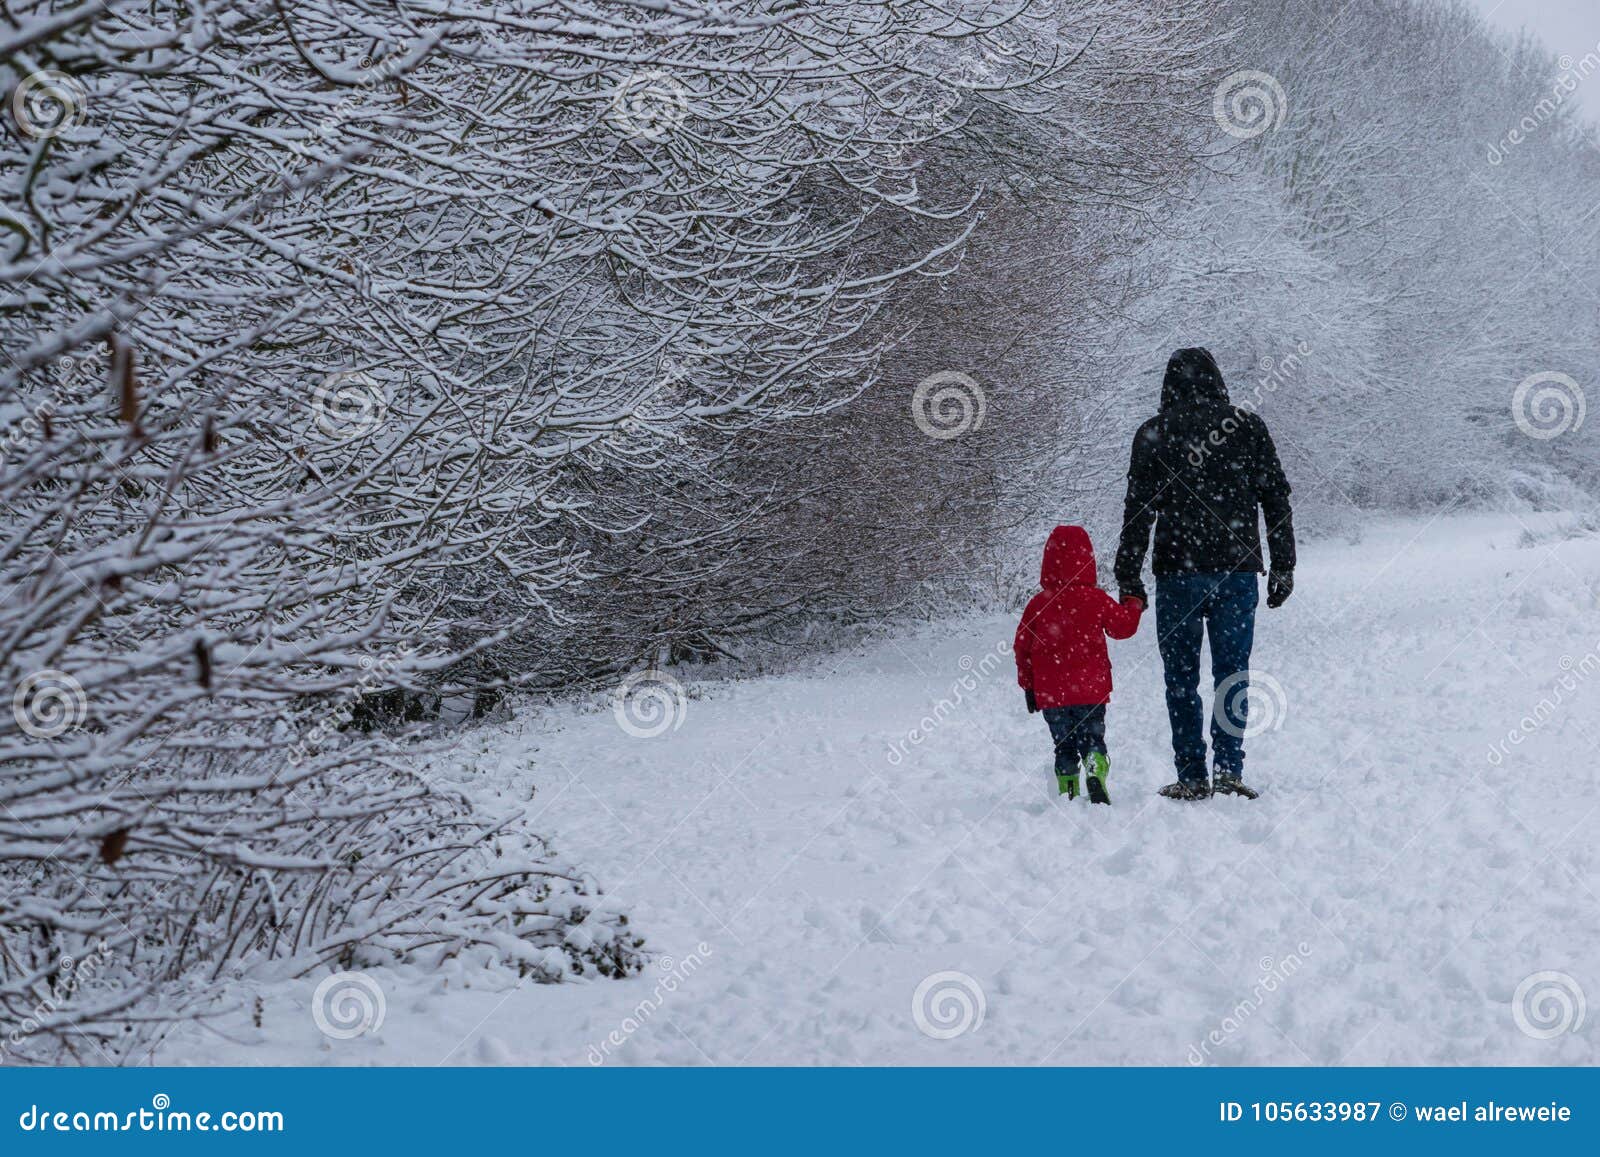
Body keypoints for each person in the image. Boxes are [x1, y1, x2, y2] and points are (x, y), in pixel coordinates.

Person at [1114, 347, 1295, 801]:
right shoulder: (1247, 427)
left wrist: (1128, 576)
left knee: (1180, 678)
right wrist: (1283, 565)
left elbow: (1137, 512)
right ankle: (1229, 770)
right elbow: (1275, 498)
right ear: (1217, 381)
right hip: (1237, 571)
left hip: (1177, 572)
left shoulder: (1153, 434)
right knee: (1233, 673)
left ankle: (1192, 772)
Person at [1014, 525, 1144, 803]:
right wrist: (1133, 603)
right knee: (1091, 737)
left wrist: (1029, 686)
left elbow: (1022, 647)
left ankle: (1068, 788)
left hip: (1051, 694)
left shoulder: (1038, 604)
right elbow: (1123, 628)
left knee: (1063, 744)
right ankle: (1095, 766)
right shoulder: (1096, 599)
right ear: (1088, 560)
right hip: (1090, 691)